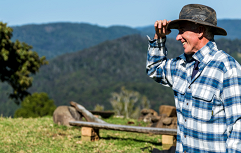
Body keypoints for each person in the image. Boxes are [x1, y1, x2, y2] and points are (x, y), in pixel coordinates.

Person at [146, 4, 241, 153]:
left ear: (200, 31)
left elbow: (238, 126)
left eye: (182, 31)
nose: (177, 37)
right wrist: (159, 37)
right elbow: (154, 69)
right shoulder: (180, 65)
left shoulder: (227, 68)